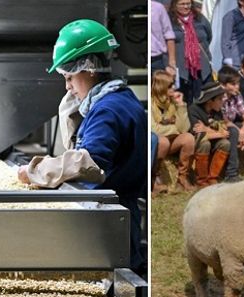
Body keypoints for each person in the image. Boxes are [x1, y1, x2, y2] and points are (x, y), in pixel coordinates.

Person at [17, 19, 147, 271]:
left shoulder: (107, 110)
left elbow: (88, 161)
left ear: (88, 68)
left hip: (110, 218)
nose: (67, 86)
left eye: (69, 77)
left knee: (117, 277)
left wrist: (34, 171)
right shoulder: (119, 99)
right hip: (114, 212)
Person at [151, 70, 196, 191]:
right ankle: (154, 179)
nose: (174, 88)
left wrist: (181, 105)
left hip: (171, 141)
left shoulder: (172, 103)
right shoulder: (151, 103)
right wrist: (174, 129)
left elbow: (184, 129)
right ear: (161, 87)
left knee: (189, 138)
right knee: (163, 141)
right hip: (158, 144)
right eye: (170, 86)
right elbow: (154, 129)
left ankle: (182, 178)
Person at [168, 0, 213, 103]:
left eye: (188, 4)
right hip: (181, 68)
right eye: (182, 4)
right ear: (175, 5)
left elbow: (209, 36)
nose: (186, 7)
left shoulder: (200, 18)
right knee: (183, 100)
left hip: (200, 67)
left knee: (202, 98)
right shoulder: (169, 21)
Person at [187, 81, 231, 186]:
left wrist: (206, 129)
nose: (222, 102)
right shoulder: (194, 110)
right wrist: (217, 133)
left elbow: (224, 132)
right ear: (210, 100)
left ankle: (213, 177)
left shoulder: (217, 111)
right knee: (204, 143)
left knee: (225, 144)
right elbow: (198, 133)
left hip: (213, 141)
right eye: (220, 99)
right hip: (197, 143)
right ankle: (201, 180)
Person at [151, 1, 177, 76]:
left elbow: (169, 34)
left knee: (161, 87)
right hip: (138, 56)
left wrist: (172, 62)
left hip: (157, 60)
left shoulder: (158, 8)